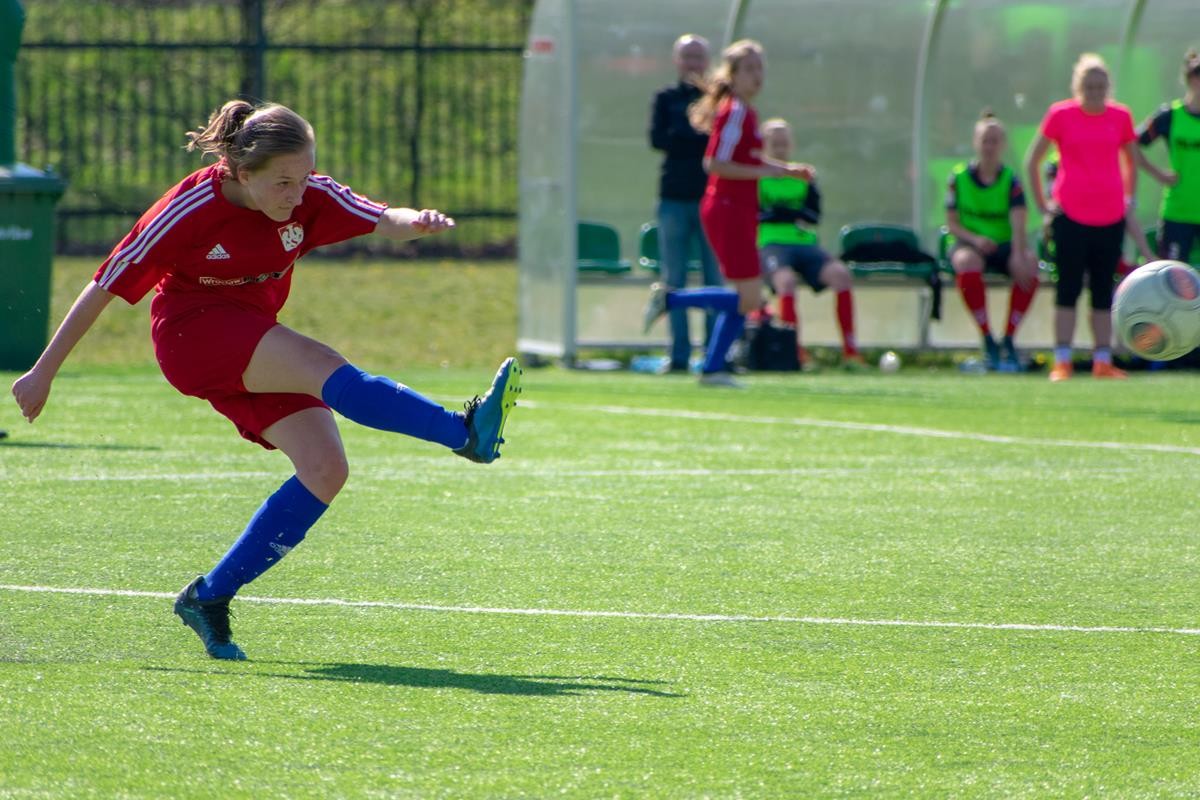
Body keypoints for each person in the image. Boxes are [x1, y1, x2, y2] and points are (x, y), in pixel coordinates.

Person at [10, 100, 522, 660]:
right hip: (193, 335)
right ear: (239, 171)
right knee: (322, 365)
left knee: (325, 469)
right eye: (282, 182)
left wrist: (416, 221)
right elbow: (105, 283)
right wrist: (43, 372)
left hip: (252, 335)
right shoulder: (187, 209)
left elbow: (380, 218)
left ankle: (209, 596)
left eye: (303, 178)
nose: (296, 195)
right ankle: (463, 432)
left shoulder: (307, 194)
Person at [643, 39, 812, 387]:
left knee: (749, 298)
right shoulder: (735, 111)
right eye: (749, 68)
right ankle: (674, 304)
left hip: (736, 209)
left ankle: (713, 366)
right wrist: (768, 171)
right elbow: (715, 163)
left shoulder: (746, 111)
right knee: (749, 298)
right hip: (727, 208)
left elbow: (746, 159)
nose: (757, 75)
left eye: (760, 67)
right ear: (732, 74)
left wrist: (784, 169)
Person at [1025, 54, 1140, 381]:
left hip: (1110, 216)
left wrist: (1128, 199)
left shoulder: (1120, 116)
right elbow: (1033, 160)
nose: (1094, 92)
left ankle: (1102, 360)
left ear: (1108, 87)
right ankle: (1062, 360)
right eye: (1089, 86)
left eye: (1100, 86)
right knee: (1068, 288)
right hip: (1070, 216)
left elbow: (1132, 161)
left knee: (1103, 291)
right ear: (1078, 86)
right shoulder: (1061, 114)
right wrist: (1044, 205)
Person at [757, 118, 862, 371]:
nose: (780, 147)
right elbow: (756, 213)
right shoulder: (757, 175)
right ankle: (794, 352)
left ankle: (851, 353)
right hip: (770, 243)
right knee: (786, 282)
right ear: (764, 145)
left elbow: (813, 215)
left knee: (841, 276)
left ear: (791, 144)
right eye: (774, 142)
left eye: (784, 142)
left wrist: (780, 212)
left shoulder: (803, 175)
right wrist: (785, 214)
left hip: (804, 243)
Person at [649, 34, 722, 373]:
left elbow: (717, 144)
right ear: (677, 61)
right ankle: (678, 355)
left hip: (711, 200)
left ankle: (714, 354)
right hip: (673, 199)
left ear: (707, 61)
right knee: (674, 279)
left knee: (713, 278)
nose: (693, 63)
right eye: (687, 56)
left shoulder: (718, 100)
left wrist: (685, 135)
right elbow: (658, 139)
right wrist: (693, 135)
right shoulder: (665, 98)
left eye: (698, 57)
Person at [944, 111, 1038, 371]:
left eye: (995, 141)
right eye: (985, 140)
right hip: (970, 243)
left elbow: (1019, 222)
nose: (989, 146)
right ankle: (987, 337)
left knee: (1030, 264)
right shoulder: (958, 178)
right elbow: (952, 223)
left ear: (1002, 145)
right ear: (976, 143)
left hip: (1004, 245)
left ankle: (1008, 338)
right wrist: (976, 239)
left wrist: (1018, 254)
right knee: (966, 262)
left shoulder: (1010, 180)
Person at [1136, 48, 1200, 263]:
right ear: (1189, 77)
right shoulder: (1170, 115)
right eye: (1197, 73)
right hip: (1178, 212)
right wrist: (1158, 173)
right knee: (1173, 274)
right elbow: (1131, 143)